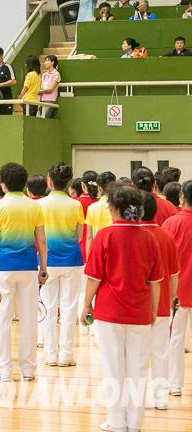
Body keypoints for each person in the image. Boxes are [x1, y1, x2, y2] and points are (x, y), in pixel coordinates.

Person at [81, 183, 161, 432]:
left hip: (109, 311)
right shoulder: (149, 237)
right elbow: (155, 281)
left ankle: (116, 422)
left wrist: (86, 304)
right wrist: (153, 310)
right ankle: (134, 423)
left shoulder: (105, 236)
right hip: (140, 311)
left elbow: (94, 278)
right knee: (138, 368)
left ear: (114, 208)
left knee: (112, 367)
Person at [0, 162, 48, 381]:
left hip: (4, 268)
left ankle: (4, 370)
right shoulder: (34, 207)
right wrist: (43, 268)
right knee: (28, 318)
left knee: (3, 319)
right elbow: (41, 241)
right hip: (28, 268)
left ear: (3, 184)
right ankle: (28, 369)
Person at [36, 163, 84, 367]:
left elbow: (37, 236)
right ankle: (66, 353)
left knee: (48, 307)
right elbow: (80, 235)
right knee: (69, 307)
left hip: (47, 261)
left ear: (49, 180)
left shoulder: (40, 204)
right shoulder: (76, 205)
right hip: (72, 260)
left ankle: (50, 354)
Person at [138, 192, 179, 411]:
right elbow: (174, 274)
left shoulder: (134, 236)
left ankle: (137, 399)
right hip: (162, 304)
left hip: (137, 307)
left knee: (136, 355)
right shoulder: (166, 236)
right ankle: (161, 398)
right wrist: (172, 298)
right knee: (160, 352)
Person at [163, 181, 192, 397]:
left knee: (175, 338)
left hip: (177, 292)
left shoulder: (170, 223)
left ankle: (174, 385)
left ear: (182, 197)